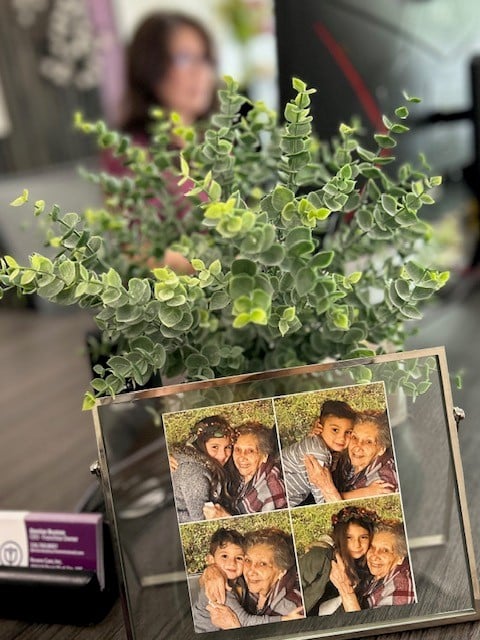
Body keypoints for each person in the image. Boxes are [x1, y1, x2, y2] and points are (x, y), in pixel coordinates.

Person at [192, 527, 300, 632]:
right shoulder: (220, 590)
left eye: (262, 564)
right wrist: (283, 620)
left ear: (281, 571)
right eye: (248, 560)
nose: (250, 571)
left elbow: (242, 623)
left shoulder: (290, 605)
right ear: (211, 559)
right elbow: (244, 621)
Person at [298, 505, 378, 615]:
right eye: (348, 538)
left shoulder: (368, 565)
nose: (357, 545)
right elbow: (295, 587)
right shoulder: (320, 556)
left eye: (363, 537)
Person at [304, 410, 398, 502]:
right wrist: (320, 437)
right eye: (354, 437)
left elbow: (336, 508)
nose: (357, 446)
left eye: (368, 442)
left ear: (381, 449)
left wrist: (327, 488)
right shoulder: (348, 454)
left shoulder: (383, 484)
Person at [280, 399, 356, 507]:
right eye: (335, 430)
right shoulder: (318, 454)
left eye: (348, 432)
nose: (342, 438)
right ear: (320, 426)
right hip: (282, 498)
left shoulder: (317, 441)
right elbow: (324, 502)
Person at [204, 421, 287, 518]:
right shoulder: (234, 473)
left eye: (250, 451)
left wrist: (225, 517)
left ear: (264, 456)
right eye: (237, 450)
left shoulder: (272, 491)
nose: (241, 457)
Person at [330, 520, 415, 610]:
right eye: (372, 547)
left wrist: (346, 591)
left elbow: (373, 624)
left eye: (385, 550)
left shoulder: (401, 590)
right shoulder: (381, 571)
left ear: (400, 558)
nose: (374, 556)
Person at [169, 415, 236, 523]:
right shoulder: (195, 474)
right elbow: (200, 521)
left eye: (227, 447)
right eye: (215, 447)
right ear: (200, 444)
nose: (223, 455)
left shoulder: (207, 462)